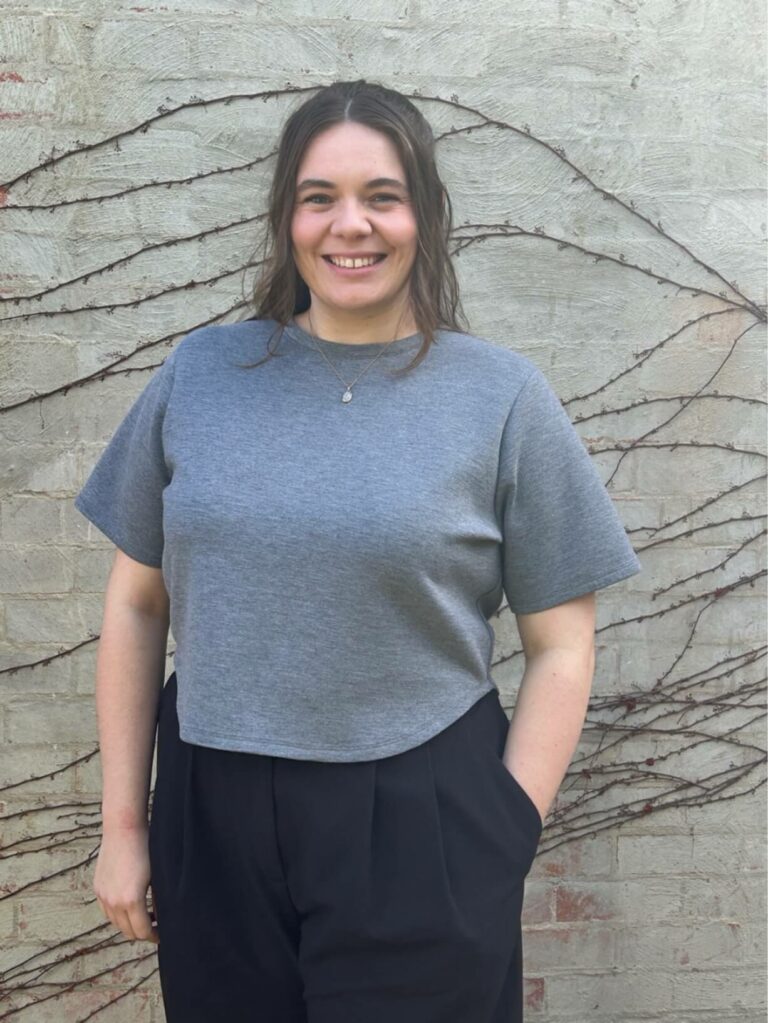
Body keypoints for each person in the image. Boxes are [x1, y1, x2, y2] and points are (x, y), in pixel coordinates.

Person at [74, 79, 642, 1023]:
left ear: (423, 211)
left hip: (421, 811)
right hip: (212, 809)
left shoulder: (499, 397)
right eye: (320, 197)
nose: (352, 226)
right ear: (287, 218)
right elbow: (136, 606)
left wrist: (505, 830)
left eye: (382, 195)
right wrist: (124, 826)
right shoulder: (202, 375)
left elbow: (563, 643)